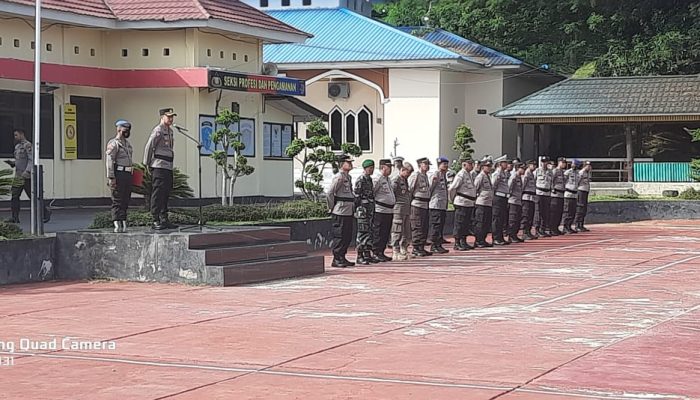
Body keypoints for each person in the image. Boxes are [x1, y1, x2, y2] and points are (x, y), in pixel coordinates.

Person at [5, 129, 50, 224]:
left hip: (26, 176)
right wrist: (12, 163)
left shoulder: (28, 145)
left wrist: (27, 171)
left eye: (16, 135)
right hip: (18, 176)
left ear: (22, 134)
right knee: (15, 196)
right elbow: (19, 160)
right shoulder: (17, 146)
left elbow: (31, 160)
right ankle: (15, 217)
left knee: (32, 196)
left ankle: (46, 212)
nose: (15, 137)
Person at [144, 108, 177, 230]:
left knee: (166, 193)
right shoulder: (158, 130)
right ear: (162, 117)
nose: (171, 119)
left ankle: (164, 218)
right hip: (159, 165)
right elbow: (149, 146)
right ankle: (155, 219)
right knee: (157, 193)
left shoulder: (170, 131)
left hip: (168, 166)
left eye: (172, 117)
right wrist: (146, 163)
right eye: (169, 116)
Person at [327, 155, 356, 268]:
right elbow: (330, 193)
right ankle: (337, 258)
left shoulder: (348, 177)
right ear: (341, 164)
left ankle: (342, 256)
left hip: (348, 210)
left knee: (347, 236)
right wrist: (331, 207)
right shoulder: (339, 177)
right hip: (340, 210)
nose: (350, 164)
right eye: (347, 162)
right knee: (340, 235)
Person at [106, 120, 134, 233]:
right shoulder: (114, 143)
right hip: (119, 173)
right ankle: (116, 222)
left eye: (128, 129)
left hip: (127, 173)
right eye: (125, 129)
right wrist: (111, 177)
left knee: (126, 198)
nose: (127, 131)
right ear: (118, 129)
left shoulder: (127, 144)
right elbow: (109, 160)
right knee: (117, 198)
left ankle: (123, 220)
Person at [448, 157, 476, 251]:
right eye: (470, 164)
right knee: (459, 223)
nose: (472, 166)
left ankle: (463, 241)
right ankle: (457, 242)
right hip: (461, 202)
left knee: (466, 224)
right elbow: (452, 188)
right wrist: (452, 200)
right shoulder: (460, 175)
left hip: (469, 203)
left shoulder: (469, 174)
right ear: (464, 165)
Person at [355, 159, 379, 265]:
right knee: (362, 231)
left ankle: (367, 253)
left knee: (369, 231)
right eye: (370, 168)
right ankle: (360, 255)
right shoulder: (361, 179)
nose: (372, 170)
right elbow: (357, 195)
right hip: (363, 209)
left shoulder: (369, 180)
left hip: (370, 208)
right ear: (365, 169)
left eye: (373, 168)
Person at [372, 159, 396, 262]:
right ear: (383, 167)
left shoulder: (388, 179)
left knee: (386, 232)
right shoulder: (377, 179)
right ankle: (376, 252)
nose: (390, 169)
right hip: (380, 209)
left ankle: (381, 251)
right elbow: (372, 192)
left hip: (389, 210)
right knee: (379, 232)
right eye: (388, 167)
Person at [409, 157, 433, 257]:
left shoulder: (426, 176)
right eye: (425, 164)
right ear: (420, 165)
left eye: (428, 164)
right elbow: (410, 189)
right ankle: (416, 247)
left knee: (424, 226)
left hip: (425, 204)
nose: (427, 166)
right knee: (417, 226)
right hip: (417, 204)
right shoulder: (415, 175)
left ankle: (421, 246)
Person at [391, 161, 414, 261]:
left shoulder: (405, 180)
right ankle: (395, 250)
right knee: (397, 230)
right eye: (408, 172)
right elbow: (393, 194)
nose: (409, 175)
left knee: (406, 231)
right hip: (398, 209)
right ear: (402, 170)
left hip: (406, 209)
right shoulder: (396, 180)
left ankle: (403, 248)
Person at [428, 157, 450, 254]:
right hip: (436, 204)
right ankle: (434, 245)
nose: (445, 166)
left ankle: (438, 244)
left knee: (440, 225)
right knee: (436, 225)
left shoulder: (444, 175)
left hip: (442, 204)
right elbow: (430, 189)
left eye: (446, 164)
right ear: (439, 165)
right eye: (443, 164)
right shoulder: (435, 175)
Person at [474, 157, 494, 248]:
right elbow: (475, 189)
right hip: (481, 202)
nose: (489, 168)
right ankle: (478, 240)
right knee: (480, 222)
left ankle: (483, 239)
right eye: (487, 166)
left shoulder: (488, 176)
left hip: (488, 203)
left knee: (486, 223)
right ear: (483, 167)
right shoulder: (480, 177)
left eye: (490, 166)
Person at [491, 157, 510, 245]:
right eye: (504, 163)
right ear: (499, 164)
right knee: (497, 218)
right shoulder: (497, 173)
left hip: (504, 197)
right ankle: (496, 237)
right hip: (498, 197)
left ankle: (500, 236)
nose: (506, 164)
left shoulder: (504, 173)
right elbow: (493, 185)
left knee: (502, 218)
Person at [507, 161, 525, 242]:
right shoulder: (513, 176)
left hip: (518, 200)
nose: (524, 170)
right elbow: (509, 187)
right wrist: (509, 196)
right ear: (518, 168)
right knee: (513, 219)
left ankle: (515, 234)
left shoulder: (519, 177)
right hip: (513, 200)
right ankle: (511, 235)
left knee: (517, 219)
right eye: (522, 168)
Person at [535, 156, 553, 237]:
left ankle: (543, 229)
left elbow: (551, 182)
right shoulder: (537, 171)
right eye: (543, 162)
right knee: (539, 212)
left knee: (546, 212)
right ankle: (537, 229)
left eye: (546, 162)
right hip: (539, 193)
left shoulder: (550, 172)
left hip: (547, 193)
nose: (544, 163)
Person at [520, 160, 538, 240]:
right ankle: (525, 232)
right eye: (532, 165)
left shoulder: (532, 174)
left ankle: (528, 231)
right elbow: (523, 184)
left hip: (532, 197)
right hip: (526, 197)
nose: (534, 166)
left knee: (531, 215)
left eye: (535, 165)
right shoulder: (526, 173)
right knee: (526, 215)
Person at [549, 157, 567, 235]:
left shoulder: (562, 172)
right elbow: (551, 181)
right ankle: (552, 228)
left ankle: (556, 227)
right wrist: (552, 189)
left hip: (561, 194)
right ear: (559, 162)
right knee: (554, 212)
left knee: (559, 212)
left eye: (564, 163)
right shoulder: (555, 171)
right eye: (562, 162)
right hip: (555, 194)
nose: (564, 164)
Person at [562, 160, 581, 234]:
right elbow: (564, 181)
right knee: (567, 211)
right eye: (574, 164)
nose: (575, 166)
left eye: (576, 165)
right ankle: (565, 226)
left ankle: (569, 226)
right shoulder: (567, 172)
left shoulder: (578, 173)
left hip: (574, 194)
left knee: (573, 211)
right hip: (568, 193)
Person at [575, 160, 592, 232]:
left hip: (586, 191)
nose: (589, 167)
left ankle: (581, 224)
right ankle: (577, 224)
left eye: (589, 165)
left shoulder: (588, 173)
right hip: (581, 191)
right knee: (580, 207)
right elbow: (577, 182)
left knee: (584, 208)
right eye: (587, 165)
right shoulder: (581, 172)